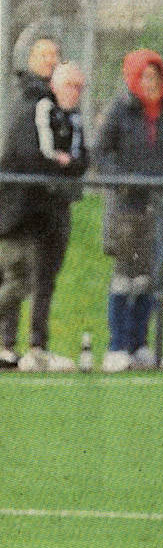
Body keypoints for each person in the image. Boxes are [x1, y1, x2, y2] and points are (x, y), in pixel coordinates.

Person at [98, 49, 163, 371]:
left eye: (155, 76)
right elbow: (102, 152)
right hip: (128, 208)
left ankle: (140, 345)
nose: (150, 83)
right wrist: (123, 181)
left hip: (162, 207)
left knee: (151, 279)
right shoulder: (119, 111)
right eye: (144, 77)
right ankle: (117, 346)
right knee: (125, 277)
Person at [0, 54, 87, 370]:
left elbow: (81, 160)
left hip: (51, 211)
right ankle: (6, 345)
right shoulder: (38, 109)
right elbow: (36, 156)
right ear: (54, 85)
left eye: (79, 87)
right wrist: (60, 164)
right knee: (17, 279)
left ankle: (36, 347)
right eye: (69, 85)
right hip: (22, 213)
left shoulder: (73, 118)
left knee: (41, 281)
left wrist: (66, 164)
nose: (74, 92)